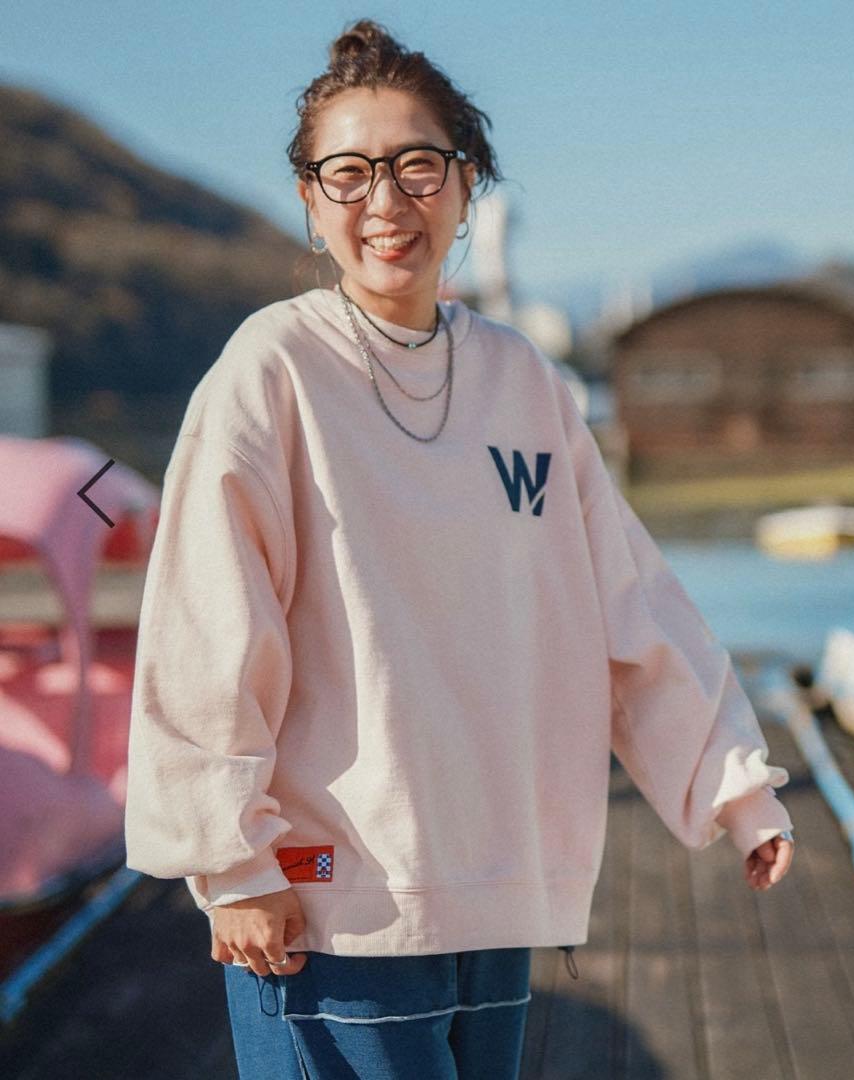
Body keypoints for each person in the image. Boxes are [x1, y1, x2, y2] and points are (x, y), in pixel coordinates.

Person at [123, 18, 795, 1080]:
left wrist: (735, 789)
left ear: (466, 182)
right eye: (348, 174)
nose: (385, 202)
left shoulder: (524, 382)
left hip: (496, 885)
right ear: (309, 200)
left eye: (416, 166)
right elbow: (206, 622)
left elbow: (627, 598)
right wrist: (231, 861)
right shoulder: (273, 367)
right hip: (330, 900)